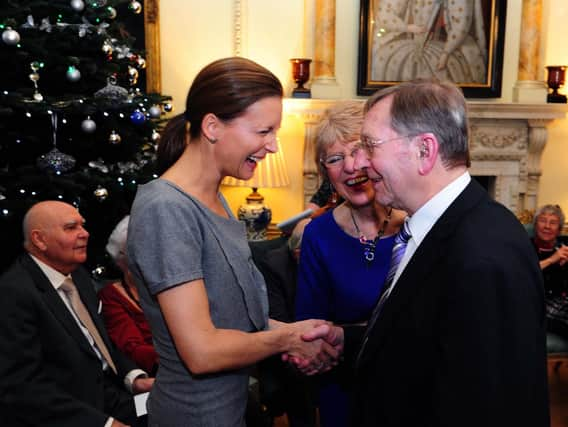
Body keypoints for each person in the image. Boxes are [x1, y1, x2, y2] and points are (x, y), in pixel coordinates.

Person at [300, 79, 549, 426]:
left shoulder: (484, 253)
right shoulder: (437, 228)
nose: (363, 165)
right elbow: (422, 343)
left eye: (370, 146)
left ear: (424, 151)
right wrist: (348, 338)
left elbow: (491, 402)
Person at [126, 57, 339, 426]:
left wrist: (300, 331)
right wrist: (286, 341)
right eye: (263, 131)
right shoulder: (166, 208)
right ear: (212, 126)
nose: (272, 146)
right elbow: (202, 351)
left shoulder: (217, 199)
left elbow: (238, 322)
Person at [294, 101, 405, 427]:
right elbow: (310, 326)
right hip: (344, 387)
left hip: (410, 385)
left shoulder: (416, 224)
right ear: (325, 172)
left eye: (359, 151)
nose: (350, 168)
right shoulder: (319, 234)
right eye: (335, 158)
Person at [0, 200, 153, 427]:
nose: (85, 234)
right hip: (73, 412)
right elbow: (22, 388)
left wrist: (134, 378)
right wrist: (105, 424)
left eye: (83, 225)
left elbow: (100, 343)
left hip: (115, 398)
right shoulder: (14, 292)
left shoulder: (78, 275)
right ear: (39, 239)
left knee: (181, 406)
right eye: (71, 228)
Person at [251, 218, 317, 427]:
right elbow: (278, 321)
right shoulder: (273, 266)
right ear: (299, 254)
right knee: (298, 372)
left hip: (322, 334)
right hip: (286, 343)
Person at [371, 0, 487, 84]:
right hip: (410, 44)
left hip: (445, 46)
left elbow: (461, 24)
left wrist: (446, 52)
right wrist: (408, 27)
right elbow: (385, 14)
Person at [99, 215, 159, 375]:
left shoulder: (172, 287)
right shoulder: (111, 296)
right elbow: (132, 348)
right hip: (157, 373)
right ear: (119, 260)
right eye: (135, 251)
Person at [531, 204, 568, 337]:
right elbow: (521, 273)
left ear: (559, 230)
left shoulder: (564, 247)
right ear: (535, 225)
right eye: (542, 221)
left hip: (562, 302)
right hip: (536, 304)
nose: (547, 226)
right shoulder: (525, 247)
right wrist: (552, 260)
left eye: (553, 223)